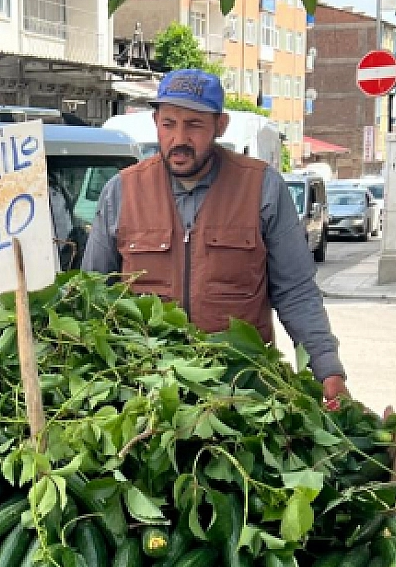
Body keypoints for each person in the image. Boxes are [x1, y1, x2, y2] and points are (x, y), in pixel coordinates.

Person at [82, 68, 347, 404]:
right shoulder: (121, 191)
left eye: (193, 125)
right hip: (145, 392)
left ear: (219, 126)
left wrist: (327, 369)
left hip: (243, 390)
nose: (179, 139)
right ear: (156, 123)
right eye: (169, 124)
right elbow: (94, 293)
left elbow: (296, 291)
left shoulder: (262, 187)